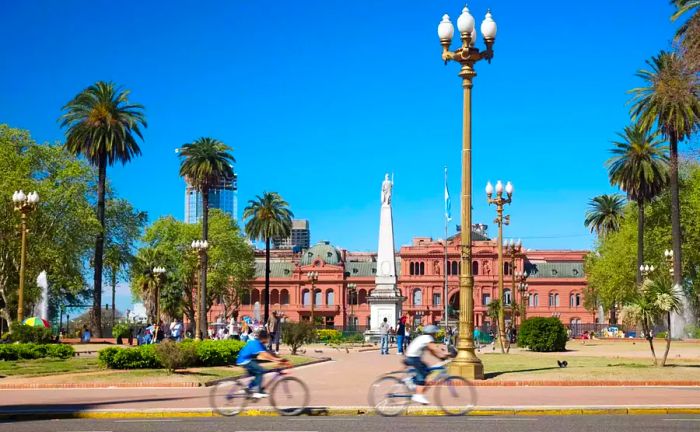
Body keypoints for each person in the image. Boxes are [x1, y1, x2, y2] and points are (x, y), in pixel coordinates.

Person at [236, 328, 291, 398]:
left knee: (258, 374)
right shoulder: (256, 343)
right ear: (263, 338)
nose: (268, 340)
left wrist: (282, 359)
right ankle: (257, 392)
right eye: (267, 338)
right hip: (244, 360)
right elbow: (265, 355)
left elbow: (270, 353)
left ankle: (248, 388)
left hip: (248, 360)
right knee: (260, 371)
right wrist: (277, 360)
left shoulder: (261, 344)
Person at [404, 324, 449, 405]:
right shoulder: (428, 338)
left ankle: (411, 380)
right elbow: (434, 348)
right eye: (435, 333)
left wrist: (441, 358)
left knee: (426, 370)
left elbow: (432, 352)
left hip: (410, 356)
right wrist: (445, 354)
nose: (435, 334)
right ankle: (418, 395)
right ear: (431, 333)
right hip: (414, 358)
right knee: (422, 374)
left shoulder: (423, 338)